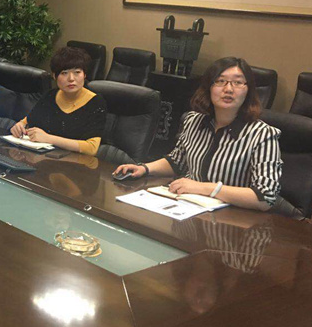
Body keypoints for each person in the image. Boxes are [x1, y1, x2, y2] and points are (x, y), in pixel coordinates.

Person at [113, 57, 282, 211]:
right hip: (186, 210)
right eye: (220, 81)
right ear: (208, 87)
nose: (229, 89)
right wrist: (144, 168)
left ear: (248, 90)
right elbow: (177, 161)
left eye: (238, 83)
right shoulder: (194, 121)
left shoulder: (262, 135)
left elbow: (265, 197)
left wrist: (204, 188)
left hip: (230, 219)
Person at [10, 46, 107, 155]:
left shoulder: (96, 102)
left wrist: (48, 138)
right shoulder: (50, 95)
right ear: (54, 76)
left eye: (77, 72)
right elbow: (28, 120)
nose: (71, 78)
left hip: (76, 162)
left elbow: (91, 148)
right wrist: (20, 126)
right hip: (44, 158)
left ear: (84, 75)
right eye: (64, 73)